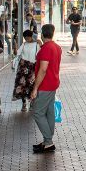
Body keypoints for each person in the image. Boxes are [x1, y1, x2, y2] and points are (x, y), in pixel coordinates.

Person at [30, 24, 62, 153]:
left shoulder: (45, 49)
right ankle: (47, 141)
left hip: (45, 85)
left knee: (37, 112)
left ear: (42, 34)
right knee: (49, 112)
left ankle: (48, 141)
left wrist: (35, 88)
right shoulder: (57, 47)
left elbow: (43, 70)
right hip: (53, 83)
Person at [12, 29, 40, 111]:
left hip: (32, 68)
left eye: (28, 37)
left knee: (31, 85)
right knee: (22, 86)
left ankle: (31, 103)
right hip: (23, 68)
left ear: (31, 36)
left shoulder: (36, 45)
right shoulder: (23, 45)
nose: (27, 39)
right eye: (25, 37)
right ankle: (24, 103)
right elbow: (17, 53)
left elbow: (39, 54)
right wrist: (15, 45)